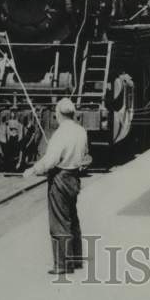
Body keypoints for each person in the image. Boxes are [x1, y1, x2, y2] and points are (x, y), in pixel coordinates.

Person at [32, 97, 90, 275]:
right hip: (74, 178)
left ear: (58, 115)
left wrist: (34, 169)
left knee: (59, 221)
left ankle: (62, 265)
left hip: (60, 178)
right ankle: (76, 259)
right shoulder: (81, 131)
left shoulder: (60, 135)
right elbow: (86, 154)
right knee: (72, 219)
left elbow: (51, 161)